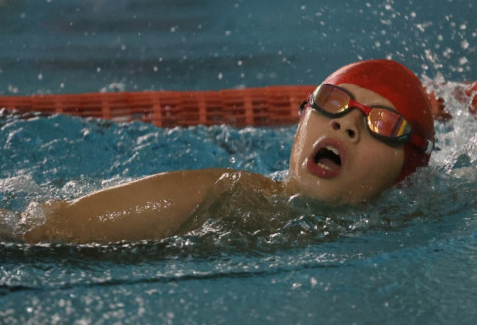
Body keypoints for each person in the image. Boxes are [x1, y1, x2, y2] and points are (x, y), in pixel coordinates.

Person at [22, 59, 436, 244]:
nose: (346, 123)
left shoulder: (415, 228)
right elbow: (47, 228)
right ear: (302, 120)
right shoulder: (232, 196)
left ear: (407, 170)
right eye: (333, 101)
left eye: (381, 123)